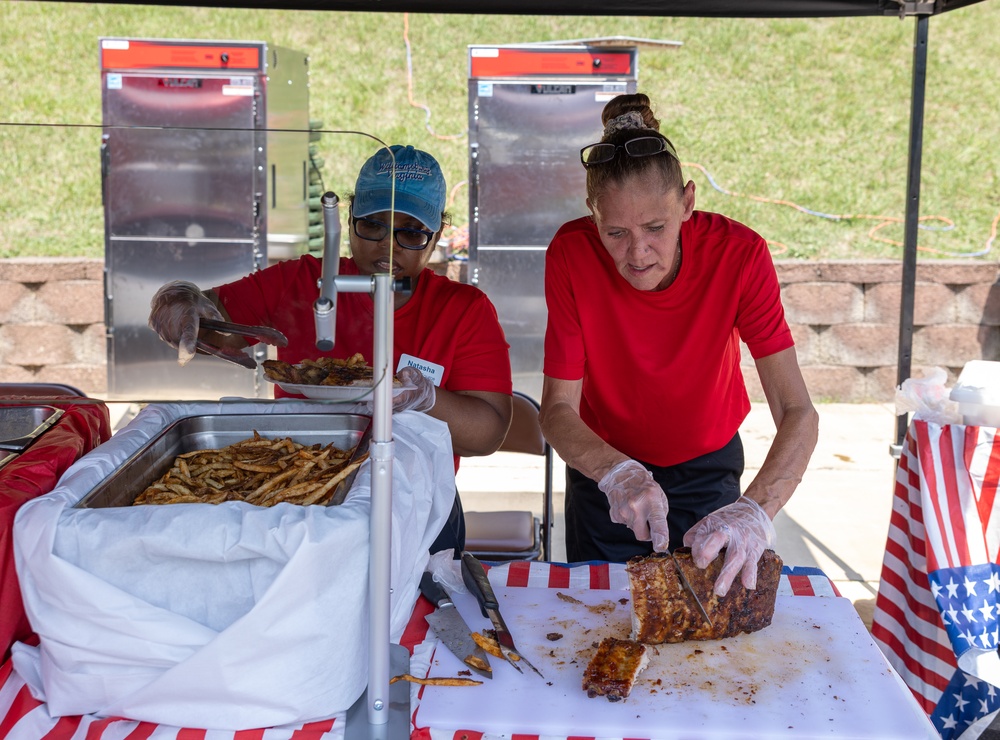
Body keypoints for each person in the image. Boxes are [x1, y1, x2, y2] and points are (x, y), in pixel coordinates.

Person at [148, 144, 514, 554]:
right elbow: (214, 320)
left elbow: (488, 434)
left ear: (437, 237)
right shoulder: (300, 284)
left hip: (415, 506)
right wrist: (179, 304)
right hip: (294, 497)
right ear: (348, 220)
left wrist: (426, 399)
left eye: (410, 232)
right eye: (372, 225)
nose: (387, 247)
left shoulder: (463, 310)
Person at [538, 94, 818, 595]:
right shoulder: (571, 253)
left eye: (655, 228)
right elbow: (558, 410)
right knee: (602, 619)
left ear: (687, 203)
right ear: (593, 215)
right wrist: (615, 472)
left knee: (709, 625)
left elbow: (798, 410)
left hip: (707, 468)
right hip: (606, 471)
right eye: (616, 232)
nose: (637, 252)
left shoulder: (739, 255)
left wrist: (757, 509)